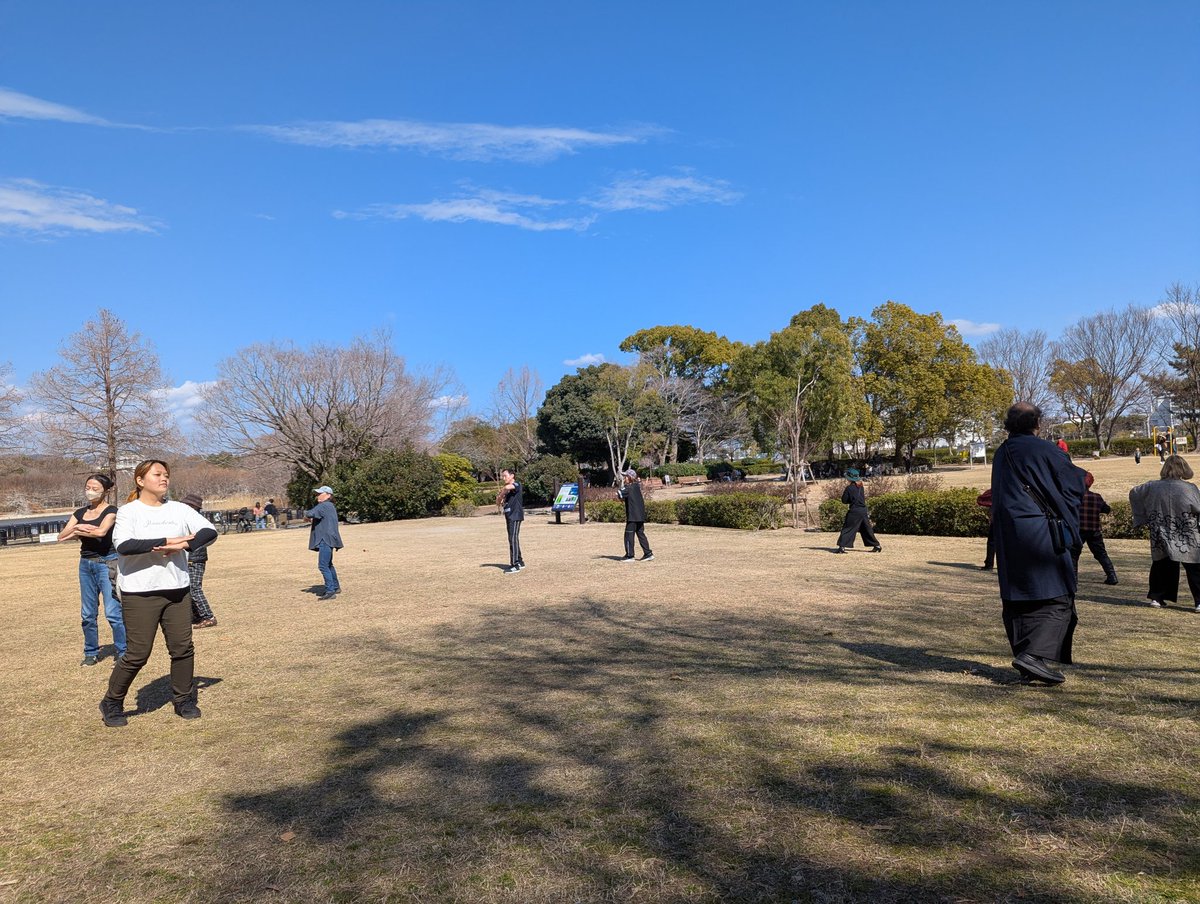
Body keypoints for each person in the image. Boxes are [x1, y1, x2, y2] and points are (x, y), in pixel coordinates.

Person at [99, 460, 217, 727]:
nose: (164, 479)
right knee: (138, 653)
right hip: (140, 592)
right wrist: (167, 541)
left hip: (177, 589)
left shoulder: (179, 509)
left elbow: (210, 531)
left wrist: (183, 544)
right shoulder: (129, 512)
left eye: (166, 475)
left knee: (182, 648)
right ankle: (112, 702)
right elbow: (126, 546)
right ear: (140, 480)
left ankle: (184, 700)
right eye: (157, 474)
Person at [992, 402, 1085, 684]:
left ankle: (1027, 660)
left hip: (1008, 533)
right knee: (1059, 596)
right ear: (1037, 424)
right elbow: (1074, 485)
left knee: (1017, 596)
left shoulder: (1001, 453)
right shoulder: (1046, 450)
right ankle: (1033, 656)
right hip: (1040, 531)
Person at [57, 474, 126, 666]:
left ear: (106, 490)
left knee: (113, 612)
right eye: (88, 487)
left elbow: (101, 532)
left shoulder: (112, 511)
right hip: (85, 564)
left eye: (95, 488)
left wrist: (77, 530)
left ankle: (123, 651)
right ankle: (91, 652)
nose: (90, 491)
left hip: (108, 563)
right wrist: (80, 526)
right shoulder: (79, 513)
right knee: (87, 613)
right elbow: (61, 536)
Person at [1128, 455, 1200, 611]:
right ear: (1184, 468)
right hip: (1186, 531)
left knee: (1161, 564)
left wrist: (1143, 516)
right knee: (1194, 566)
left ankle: (1156, 598)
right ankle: (1199, 601)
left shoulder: (1151, 486)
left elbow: (1134, 493)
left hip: (1161, 530)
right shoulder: (1190, 488)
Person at [181, 493, 218, 627]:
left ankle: (208, 616)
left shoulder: (197, 522)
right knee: (188, 587)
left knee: (194, 587)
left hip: (195, 558)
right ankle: (196, 617)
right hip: (192, 557)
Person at [1074, 471, 1118, 585]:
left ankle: (1073, 579)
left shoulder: (1074, 497)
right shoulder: (1096, 497)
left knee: (1073, 555)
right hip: (1094, 530)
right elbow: (1107, 509)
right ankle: (1112, 576)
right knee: (1101, 554)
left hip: (1078, 530)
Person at [305, 485, 343, 600]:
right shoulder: (330, 506)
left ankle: (330, 591)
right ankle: (335, 587)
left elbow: (309, 513)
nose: (317, 495)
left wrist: (306, 515)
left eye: (320, 493)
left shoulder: (324, 505)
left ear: (328, 495)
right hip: (330, 539)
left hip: (325, 539)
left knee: (322, 565)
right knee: (328, 564)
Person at [834, 468, 882, 553]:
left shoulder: (849, 488)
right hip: (863, 511)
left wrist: (850, 500)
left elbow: (844, 500)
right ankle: (877, 546)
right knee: (866, 529)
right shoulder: (861, 487)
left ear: (849, 478)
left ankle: (842, 547)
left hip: (854, 511)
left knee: (848, 528)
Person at [617, 468, 654, 562]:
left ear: (630, 477)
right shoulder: (637, 486)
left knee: (628, 535)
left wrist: (620, 492)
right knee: (641, 534)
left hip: (633, 516)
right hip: (640, 515)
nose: (624, 478)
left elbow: (619, 493)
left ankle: (630, 556)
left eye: (625, 476)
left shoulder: (629, 487)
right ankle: (648, 553)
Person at [498, 468, 524, 574]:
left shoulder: (516, 485)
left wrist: (503, 491)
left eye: (505, 476)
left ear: (512, 475)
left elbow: (508, 486)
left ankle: (515, 564)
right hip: (509, 516)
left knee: (513, 539)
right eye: (502, 476)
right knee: (512, 539)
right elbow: (498, 501)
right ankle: (520, 562)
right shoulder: (507, 492)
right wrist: (500, 496)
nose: (503, 478)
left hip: (515, 515)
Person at [976, 488, 994, 570]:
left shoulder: (996, 488)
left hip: (997, 516)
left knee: (992, 542)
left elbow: (981, 499)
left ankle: (989, 564)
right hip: (1010, 516)